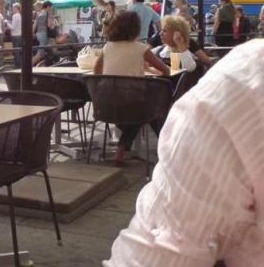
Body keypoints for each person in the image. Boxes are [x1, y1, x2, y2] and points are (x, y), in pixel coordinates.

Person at [104, 39, 264, 267]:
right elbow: (165, 71)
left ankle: (130, 149)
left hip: (111, 104)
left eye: (166, 30)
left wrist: (180, 47)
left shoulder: (243, 76)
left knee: (149, 118)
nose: (162, 33)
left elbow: (188, 67)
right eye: (162, 30)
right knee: (151, 116)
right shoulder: (152, 48)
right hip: (149, 101)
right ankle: (149, 143)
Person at [93, 11, 169, 164]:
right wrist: (147, 70)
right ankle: (166, 147)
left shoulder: (108, 47)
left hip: (106, 105)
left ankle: (121, 153)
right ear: (136, 28)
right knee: (148, 113)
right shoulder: (141, 48)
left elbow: (96, 71)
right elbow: (165, 71)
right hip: (131, 103)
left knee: (139, 115)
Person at [32, 1, 55, 65]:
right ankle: (29, 65)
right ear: (48, 7)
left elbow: (35, 24)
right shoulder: (48, 13)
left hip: (38, 34)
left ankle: (45, 64)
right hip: (44, 34)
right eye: (51, 7)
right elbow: (49, 25)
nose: (51, 8)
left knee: (47, 50)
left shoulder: (39, 13)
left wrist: (33, 33)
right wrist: (53, 25)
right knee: (40, 53)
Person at [8, 3, 22, 67]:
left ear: (16, 8)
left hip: (15, 35)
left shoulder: (15, 16)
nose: (12, 9)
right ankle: (20, 64)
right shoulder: (20, 15)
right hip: (20, 34)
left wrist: (7, 23)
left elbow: (12, 27)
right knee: (19, 51)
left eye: (13, 8)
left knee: (16, 51)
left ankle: (17, 65)